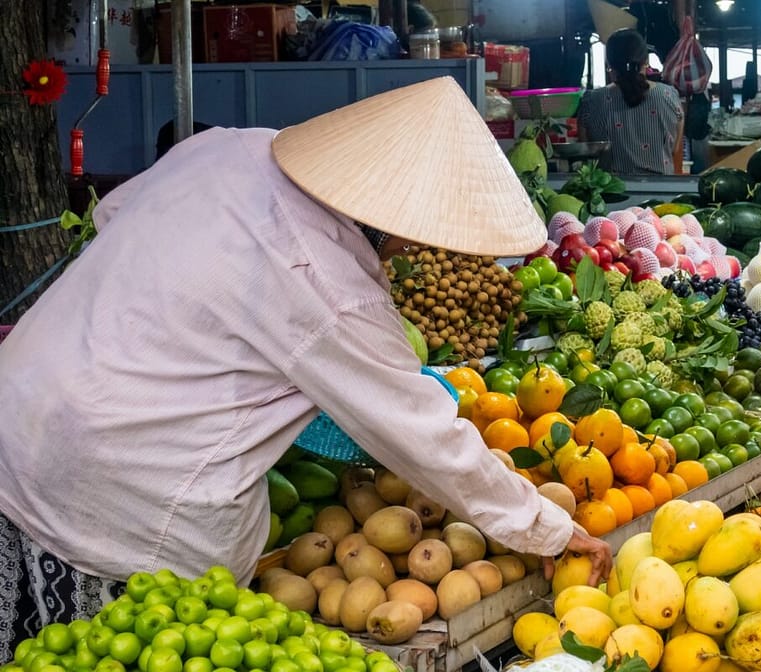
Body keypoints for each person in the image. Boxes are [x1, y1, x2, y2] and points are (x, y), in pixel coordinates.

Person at [0, 77, 612, 658]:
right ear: (395, 219)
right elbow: (423, 433)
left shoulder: (224, 149)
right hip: (110, 493)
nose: (412, 252)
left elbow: (114, 221)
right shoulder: (328, 281)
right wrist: (546, 528)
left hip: (19, 406)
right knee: (107, 652)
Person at [577, 28, 684, 176]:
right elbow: (675, 148)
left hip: (608, 193)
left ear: (609, 63)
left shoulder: (591, 100)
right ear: (646, 61)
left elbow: (586, 152)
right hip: (661, 191)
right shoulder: (668, 95)